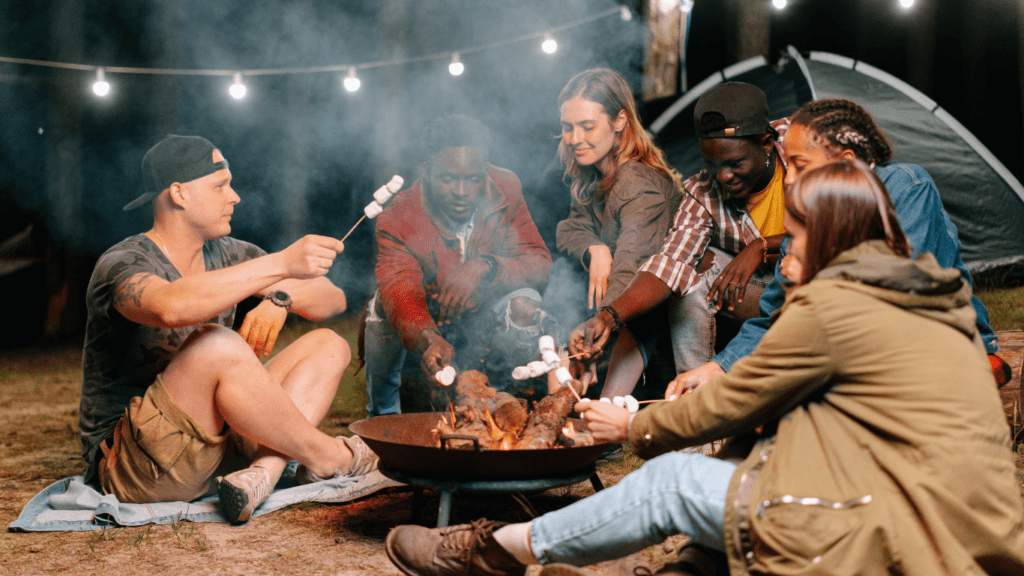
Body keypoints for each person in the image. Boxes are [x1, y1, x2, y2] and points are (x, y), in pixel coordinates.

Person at [383, 159, 1024, 576]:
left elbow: (732, 402)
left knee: (672, 485)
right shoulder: (927, 304)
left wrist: (628, 425)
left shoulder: (838, 307)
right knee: (758, 451)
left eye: (791, 239)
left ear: (833, 240)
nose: (777, 255)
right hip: (953, 540)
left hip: (897, 540)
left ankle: (489, 553)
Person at [79, 135, 379, 525]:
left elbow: (333, 300)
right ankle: (331, 456)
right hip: (135, 464)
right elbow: (171, 307)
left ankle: (262, 475)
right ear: (179, 194)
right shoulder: (122, 263)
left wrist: (280, 297)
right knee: (218, 341)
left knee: (328, 345)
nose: (234, 197)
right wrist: (281, 263)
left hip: (215, 445)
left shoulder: (227, 253)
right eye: (220, 185)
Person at [667, 97, 1006, 395]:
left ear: (846, 160)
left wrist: (811, 273)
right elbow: (775, 317)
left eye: (800, 165)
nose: (789, 179)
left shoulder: (906, 188)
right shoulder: (808, 216)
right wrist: (720, 367)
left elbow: (904, 283)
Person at [570, 82, 785, 382]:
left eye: (735, 163)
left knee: (705, 269)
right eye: (712, 164)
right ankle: (691, 398)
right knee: (690, 274)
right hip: (757, 295)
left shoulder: (806, 151)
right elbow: (670, 263)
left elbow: (839, 228)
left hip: (815, 289)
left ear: (765, 143)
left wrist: (761, 246)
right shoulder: (703, 190)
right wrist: (608, 317)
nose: (723, 176)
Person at [363, 114, 553, 416]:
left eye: (473, 179)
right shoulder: (400, 217)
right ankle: (382, 414)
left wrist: (484, 266)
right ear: (427, 170)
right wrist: (429, 337)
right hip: (428, 333)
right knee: (379, 306)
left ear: (486, 172)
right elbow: (400, 289)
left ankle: (503, 401)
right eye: (448, 178)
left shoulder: (506, 190)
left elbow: (539, 263)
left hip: (481, 320)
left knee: (527, 301)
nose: (462, 192)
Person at [546, 68, 683, 398]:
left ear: (620, 121)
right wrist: (595, 248)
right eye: (568, 127)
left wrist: (594, 339)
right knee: (559, 277)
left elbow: (632, 274)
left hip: (657, 319)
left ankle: (604, 409)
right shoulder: (592, 173)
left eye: (588, 126)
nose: (575, 138)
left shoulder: (637, 185)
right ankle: (574, 398)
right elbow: (569, 229)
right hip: (617, 313)